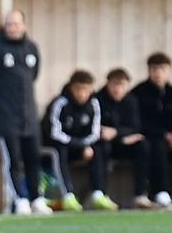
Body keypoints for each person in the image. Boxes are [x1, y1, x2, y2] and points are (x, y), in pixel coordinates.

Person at [0, 10, 52, 215]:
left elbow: (33, 75)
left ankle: (36, 198)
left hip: (29, 116)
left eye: (16, 24)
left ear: (23, 25)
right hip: (5, 117)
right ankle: (20, 199)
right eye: (8, 24)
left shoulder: (31, 48)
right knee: (13, 160)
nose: (12, 28)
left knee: (34, 158)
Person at [41, 69, 116, 210]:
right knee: (59, 151)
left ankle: (98, 193)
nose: (81, 94)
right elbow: (54, 133)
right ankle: (67, 195)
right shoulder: (60, 103)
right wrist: (81, 146)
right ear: (71, 88)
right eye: (78, 89)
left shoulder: (94, 104)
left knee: (101, 147)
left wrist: (85, 146)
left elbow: (94, 132)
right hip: (59, 147)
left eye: (85, 89)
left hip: (81, 148)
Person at [96, 68, 156, 209]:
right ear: (108, 84)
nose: (117, 89)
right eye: (114, 84)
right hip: (105, 144)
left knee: (144, 146)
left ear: (127, 86)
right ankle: (100, 194)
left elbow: (135, 127)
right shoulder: (98, 99)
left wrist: (117, 133)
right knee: (100, 148)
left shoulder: (131, 101)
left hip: (125, 144)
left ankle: (140, 194)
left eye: (121, 85)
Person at [130, 52, 172, 209]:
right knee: (156, 146)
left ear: (169, 70)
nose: (158, 73)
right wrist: (163, 135)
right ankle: (161, 192)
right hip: (151, 139)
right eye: (154, 69)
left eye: (162, 69)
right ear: (149, 70)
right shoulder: (138, 93)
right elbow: (139, 122)